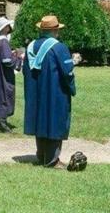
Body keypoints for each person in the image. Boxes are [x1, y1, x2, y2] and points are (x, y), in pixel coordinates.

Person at [23, 15, 80, 168]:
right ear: (55, 30)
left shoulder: (31, 47)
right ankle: (52, 159)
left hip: (35, 93)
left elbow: (25, 71)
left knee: (40, 121)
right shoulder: (58, 47)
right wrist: (72, 87)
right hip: (55, 93)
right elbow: (67, 72)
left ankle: (41, 155)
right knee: (54, 121)